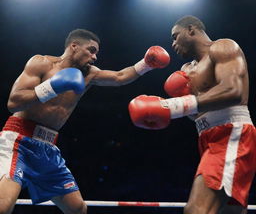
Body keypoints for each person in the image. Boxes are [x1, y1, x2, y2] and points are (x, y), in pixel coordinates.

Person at [0, 28, 170, 214]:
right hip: (18, 140)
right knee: (3, 205)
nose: (95, 57)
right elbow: (13, 102)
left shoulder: (88, 74)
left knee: (78, 209)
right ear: (74, 46)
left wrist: (146, 64)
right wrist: (52, 86)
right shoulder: (42, 63)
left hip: (47, 147)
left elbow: (119, 77)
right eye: (91, 50)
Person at [128, 15, 256, 214]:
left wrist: (172, 105)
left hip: (232, 133)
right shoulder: (187, 70)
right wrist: (168, 111)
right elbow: (195, 114)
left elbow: (234, 91)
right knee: (228, 212)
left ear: (191, 30)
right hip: (207, 137)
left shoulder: (222, 47)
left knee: (196, 210)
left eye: (175, 36)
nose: (173, 43)